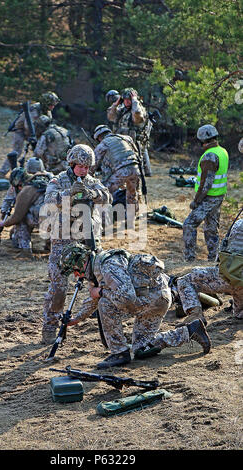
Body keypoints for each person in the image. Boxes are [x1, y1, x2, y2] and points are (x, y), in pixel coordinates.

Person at [58, 243, 211, 369]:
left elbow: (126, 297)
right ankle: (190, 331)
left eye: (75, 271)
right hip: (156, 298)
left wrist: (101, 292)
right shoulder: (96, 268)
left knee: (105, 303)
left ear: (81, 263)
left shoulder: (108, 266)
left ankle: (119, 352)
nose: (76, 276)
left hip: (151, 299)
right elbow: (93, 299)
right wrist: (76, 319)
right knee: (141, 349)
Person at [41, 144, 112, 345]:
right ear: (71, 163)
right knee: (59, 287)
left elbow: (108, 196)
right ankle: (50, 325)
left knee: (98, 283)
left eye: (87, 167)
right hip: (63, 242)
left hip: (88, 240)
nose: (83, 170)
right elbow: (48, 200)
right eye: (80, 166)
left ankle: (104, 326)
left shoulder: (92, 182)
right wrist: (69, 193)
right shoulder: (59, 180)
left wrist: (93, 194)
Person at [177, 213, 243, 323]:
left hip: (230, 278)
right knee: (239, 313)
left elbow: (222, 255)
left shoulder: (238, 223)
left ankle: (195, 317)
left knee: (185, 280)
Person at [182, 124, 229, 262]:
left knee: (189, 224)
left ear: (202, 140)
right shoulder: (222, 151)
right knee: (211, 228)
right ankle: (214, 258)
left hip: (209, 198)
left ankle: (189, 259)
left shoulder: (210, 156)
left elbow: (206, 185)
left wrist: (196, 201)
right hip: (219, 196)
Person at [0, 92, 60, 178]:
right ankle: (1, 173)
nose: (53, 107)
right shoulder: (34, 110)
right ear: (46, 103)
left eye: (53, 105)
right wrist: (33, 138)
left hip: (34, 134)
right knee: (17, 151)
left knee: (41, 153)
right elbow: (28, 125)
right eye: (51, 105)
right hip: (20, 131)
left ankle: (40, 173)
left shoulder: (47, 112)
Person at [92, 124, 142, 227]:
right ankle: (131, 221)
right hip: (135, 169)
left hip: (121, 172)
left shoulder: (102, 145)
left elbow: (93, 165)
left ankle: (103, 222)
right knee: (131, 194)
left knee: (104, 193)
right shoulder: (126, 138)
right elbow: (136, 153)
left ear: (99, 137)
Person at [0, 164, 52, 253]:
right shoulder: (45, 179)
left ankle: (25, 249)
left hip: (45, 219)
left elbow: (16, 217)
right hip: (61, 219)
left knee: (22, 220)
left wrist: (3, 223)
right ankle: (50, 246)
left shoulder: (26, 191)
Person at [107, 87, 152, 177]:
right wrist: (115, 104)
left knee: (134, 171)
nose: (127, 102)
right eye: (125, 100)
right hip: (122, 144)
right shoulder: (122, 110)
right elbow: (111, 117)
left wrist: (135, 101)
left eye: (129, 100)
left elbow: (137, 117)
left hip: (135, 145)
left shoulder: (139, 110)